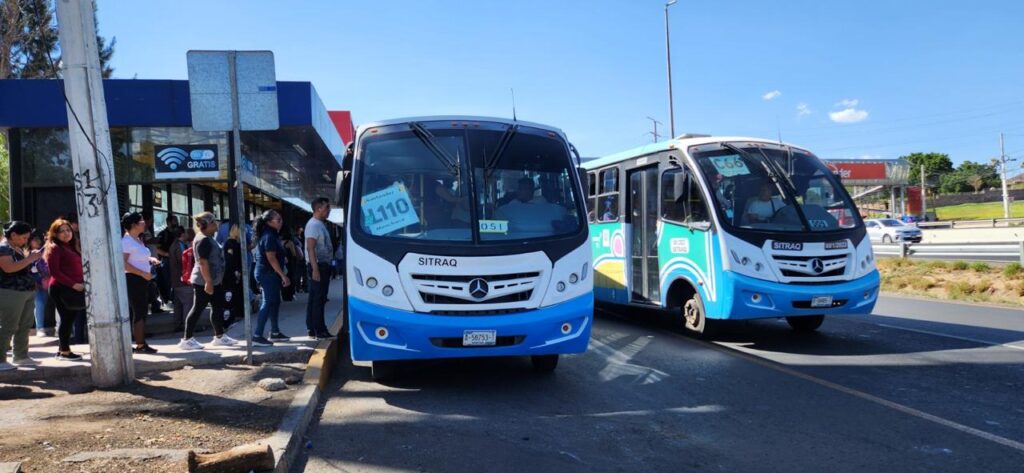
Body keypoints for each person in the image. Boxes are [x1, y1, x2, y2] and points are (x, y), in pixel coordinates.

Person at [178, 212, 238, 350]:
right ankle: (187, 339)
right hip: (204, 281)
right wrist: (208, 282)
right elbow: (202, 262)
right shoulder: (203, 240)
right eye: (213, 222)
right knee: (197, 308)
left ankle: (219, 336)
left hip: (213, 280)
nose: (216, 224)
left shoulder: (208, 237)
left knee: (217, 306)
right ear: (208, 225)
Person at [0, 221, 43, 370]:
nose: (26, 241)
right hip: (10, 292)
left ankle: (21, 356)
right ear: (13, 235)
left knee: (24, 325)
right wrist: (30, 258)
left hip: (26, 291)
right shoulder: (4, 248)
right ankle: (0, 359)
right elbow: (9, 268)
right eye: (24, 237)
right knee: (8, 325)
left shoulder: (16, 248)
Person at [43, 218, 85, 360]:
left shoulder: (71, 246)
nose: (66, 233)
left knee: (69, 318)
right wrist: (74, 284)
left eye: (68, 230)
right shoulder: (55, 248)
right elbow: (55, 272)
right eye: (61, 231)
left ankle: (62, 349)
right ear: (55, 234)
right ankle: (65, 352)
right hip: (61, 288)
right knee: (66, 319)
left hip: (73, 287)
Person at [122, 212, 160, 354]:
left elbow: (138, 257)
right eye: (141, 221)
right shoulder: (126, 241)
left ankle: (140, 343)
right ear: (134, 225)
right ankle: (140, 344)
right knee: (139, 312)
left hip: (143, 280)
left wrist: (151, 260)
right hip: (134, 279)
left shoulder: (137, 239)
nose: (144, 223)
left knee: (143, 311)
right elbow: (124, 264)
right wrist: (143, 273)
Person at [253, 209, 291, 346]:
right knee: (268, 302)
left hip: (270, 273)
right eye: (278, 220)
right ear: (269, 222)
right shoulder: (269, 235)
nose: (281, 222)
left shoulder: (272, 234)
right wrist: (283, 275)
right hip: (267, 273)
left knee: (275, 301)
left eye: (281, 219)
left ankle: (275, 332)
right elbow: (270, 257)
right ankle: (257, 335)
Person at [495, 177, 568, 236]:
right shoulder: (512, 205)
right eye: (518, 189)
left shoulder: (542, 204)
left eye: (521, 188)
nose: (518, 191)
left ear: (530, 190)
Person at [304, 197, 334, 339]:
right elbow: (310, 248)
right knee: (319, 299)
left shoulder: (319, 224)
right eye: (327, 207)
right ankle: (319, 330)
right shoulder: (314, 225)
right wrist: (315, 268)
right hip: (318, 266)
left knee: (316, 298)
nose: (329, 210)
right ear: (319, 208)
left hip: (321, 265)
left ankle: (313, 328)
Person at [169, 227, 193, 330]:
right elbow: (183, 261)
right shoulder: (179, 246)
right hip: (182, 280)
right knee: (188, 303)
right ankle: (188, 327)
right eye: (186, 233)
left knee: (178, 305)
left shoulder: (176, 245)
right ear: (182, 234)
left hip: (176, 280)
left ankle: (178, 325)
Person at [221, 224, 244, 328]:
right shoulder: (231, 243)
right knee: (231, 294)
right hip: (231, 273)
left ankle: (233, 315)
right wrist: (236, 270)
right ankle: (229, 317)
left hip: (232, 272)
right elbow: (230, 259)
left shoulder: (232, 242)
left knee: (233, 294)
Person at [155, 215, 180, 307]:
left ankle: (174, 299)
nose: (176, 223)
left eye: (177, 221)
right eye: (174, 221)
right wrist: (166, 254)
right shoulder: (162, 234)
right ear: (168, 222)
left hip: (177, 261)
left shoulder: (178, 233)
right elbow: (157, 248)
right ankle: (167, 300)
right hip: (167, 261)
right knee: (167, 281)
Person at [29, 235, 51, 338]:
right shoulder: (27, 253)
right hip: (37, 284)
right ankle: (40, 328)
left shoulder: (45, 251)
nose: (36, 241)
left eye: (37, 239)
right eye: (34, 239)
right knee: (39, 304)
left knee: (59, 304)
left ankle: (62, 327)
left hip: (50, 281)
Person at [281, 227, 299, 302]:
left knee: (284, 278)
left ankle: (284, 295)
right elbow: (294, 254)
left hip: (282, 263)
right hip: (290, 263)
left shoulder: (280, 242)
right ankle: (289, 295)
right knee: (291, 278)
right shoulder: (290, 243)